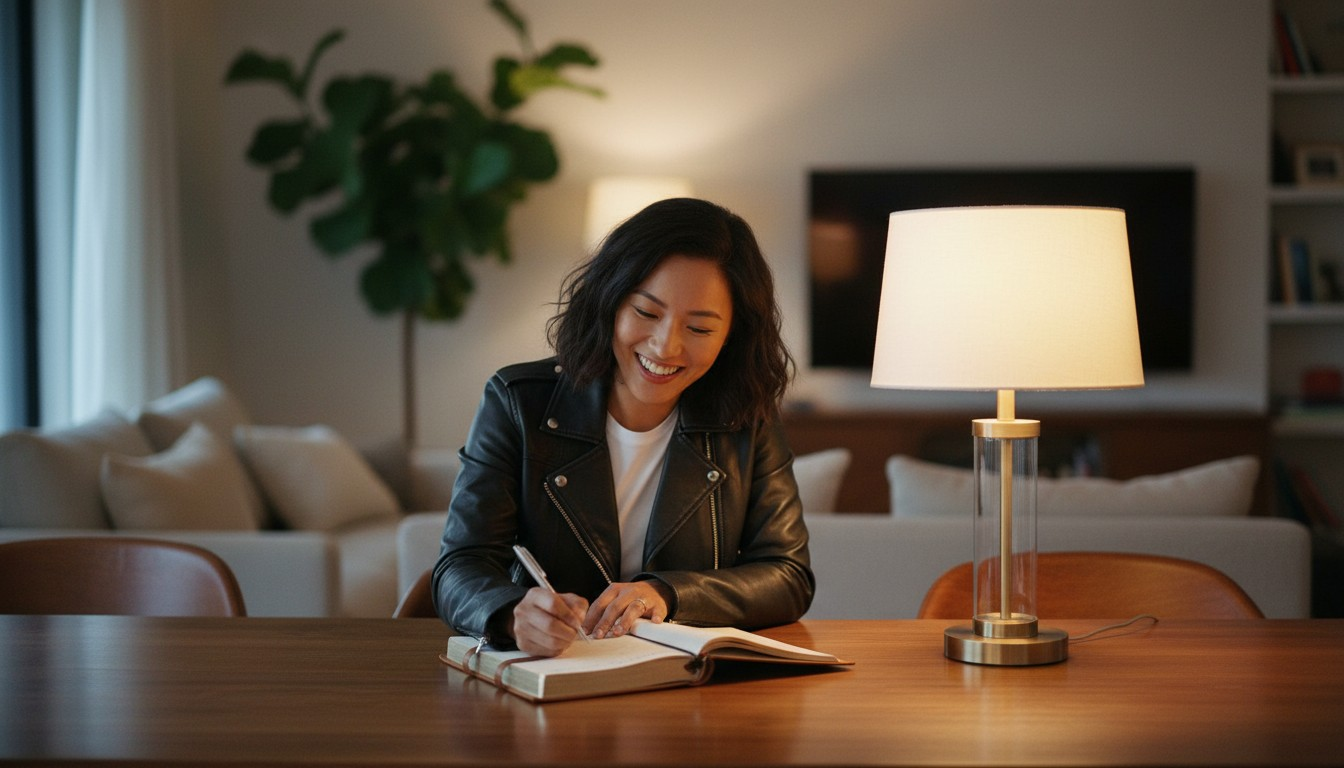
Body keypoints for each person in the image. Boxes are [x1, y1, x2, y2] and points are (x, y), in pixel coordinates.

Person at [431, 197, 813, 657]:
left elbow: (788, 575)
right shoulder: (518, 401)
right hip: (557, 676)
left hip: (687, 688)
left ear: (733, 335)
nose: (665, 346)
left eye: (699, 329)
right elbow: (459, 565)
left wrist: (666, 594)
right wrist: (512, 614)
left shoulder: (745, 416)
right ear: (610, 302)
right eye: (647, 314)